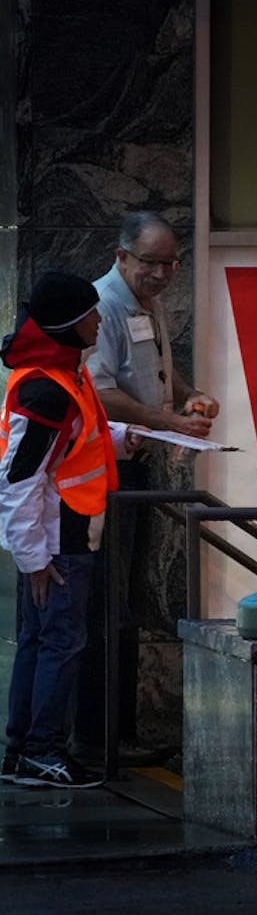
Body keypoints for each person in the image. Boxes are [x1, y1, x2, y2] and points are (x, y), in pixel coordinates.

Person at [76, 211, 219, 765]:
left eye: (171, 263)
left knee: (127, 598)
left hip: (138, 462)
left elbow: (161, 367)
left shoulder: (144, 302)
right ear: (121, 257)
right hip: (110, 468)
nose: (162, 274)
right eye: (151, 263)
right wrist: (168, 424)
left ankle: (120, 731)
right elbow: (99, 391)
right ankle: (99, 735)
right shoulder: (103, 306)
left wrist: (189, 395)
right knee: (107, 602)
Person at [0, 273, 138, 788]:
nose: (99, 319)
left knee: (43, 642)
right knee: (59, 643)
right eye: (91, 313)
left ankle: (23, 751)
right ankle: (41, 751)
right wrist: (34, 558)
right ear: (67, 324)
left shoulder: (60, 376)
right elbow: (18, 480)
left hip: (58, 535)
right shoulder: (47, 387)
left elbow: (78, 445)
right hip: (61, 540)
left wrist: (129, 439)